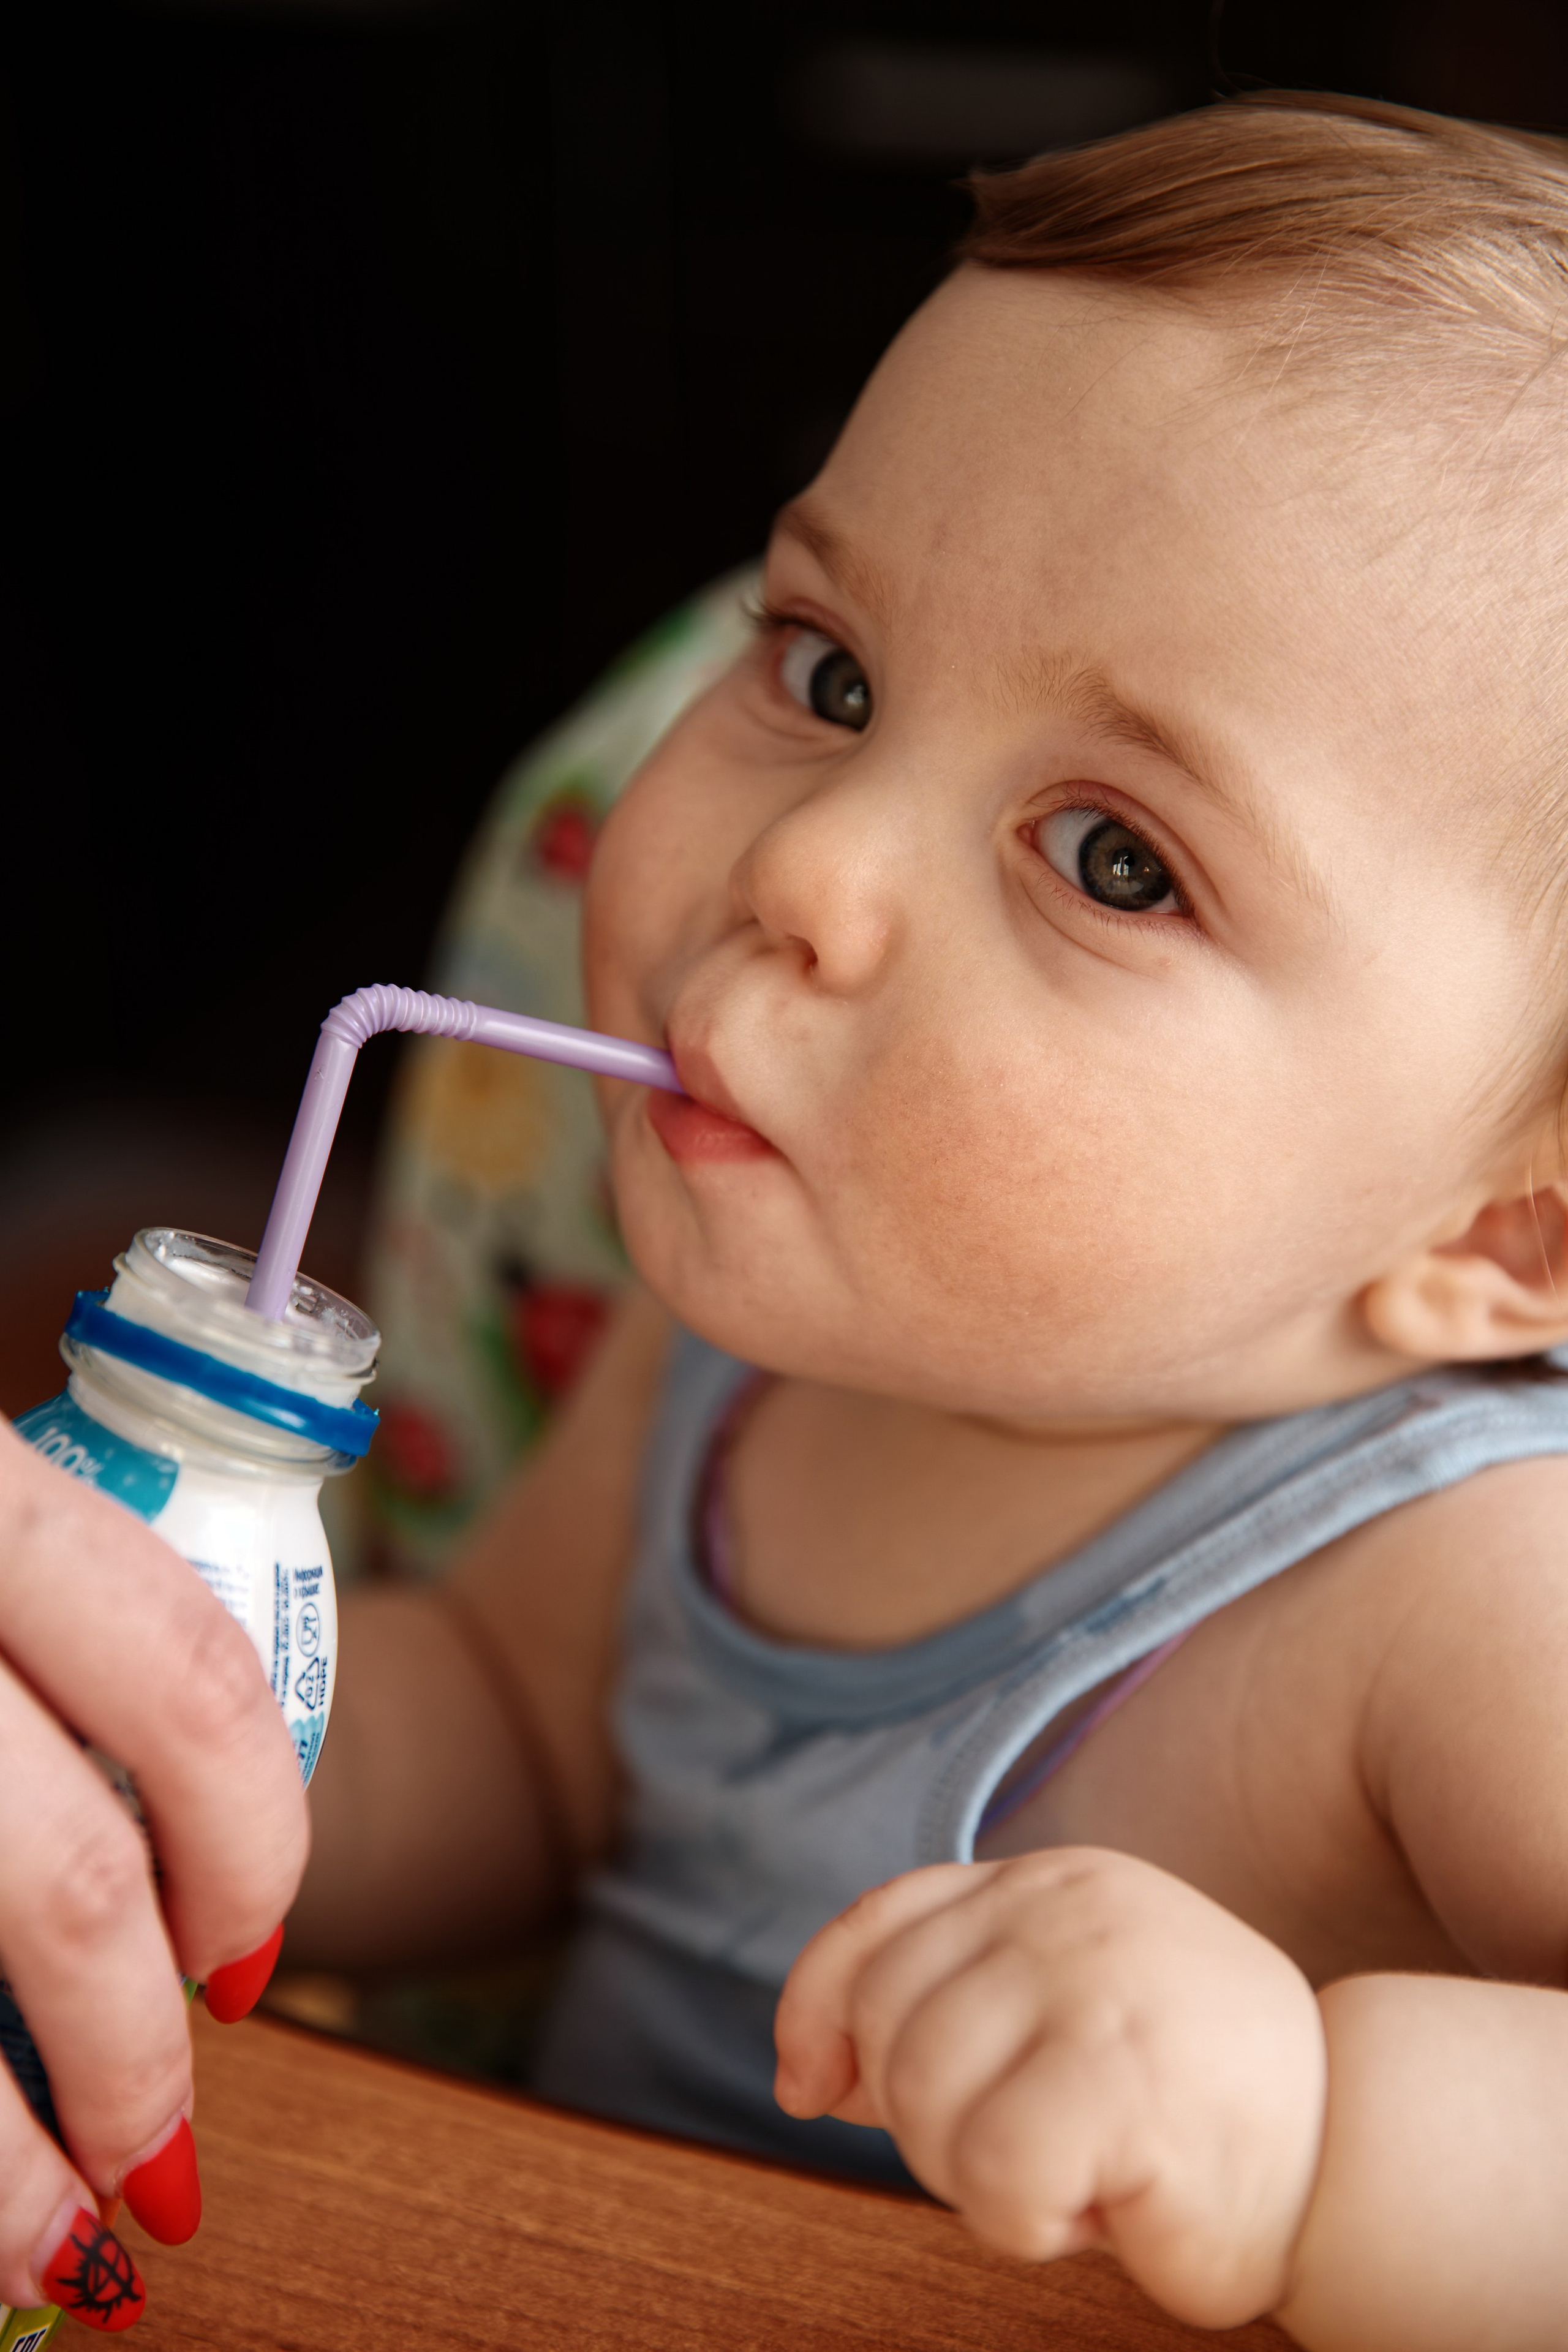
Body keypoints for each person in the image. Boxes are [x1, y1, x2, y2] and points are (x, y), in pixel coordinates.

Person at [8, 86, 1568, 2345]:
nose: (801, 872)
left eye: (1116, 859)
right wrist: (157, 1731)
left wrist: (1326, 2130)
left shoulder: (1474, 1604)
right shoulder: (755, 1325)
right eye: (827, 675)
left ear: (1510, 1242)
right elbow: (534, 1752)